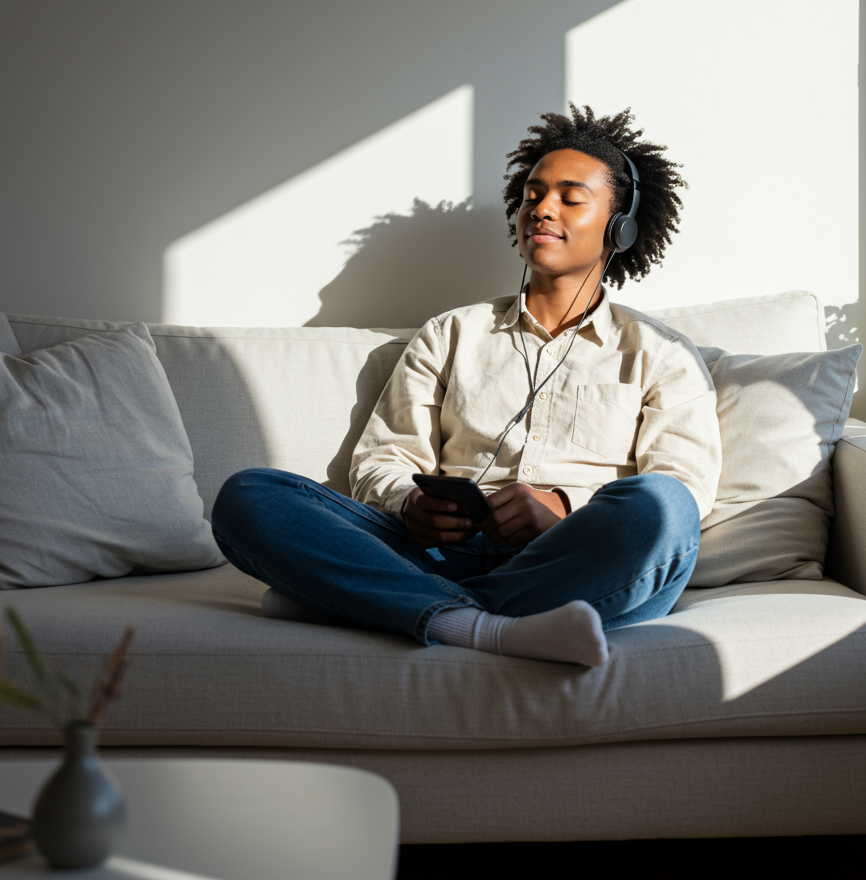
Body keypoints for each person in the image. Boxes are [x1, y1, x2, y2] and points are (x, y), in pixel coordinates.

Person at [211, 104, 722, 667]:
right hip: (433, 553)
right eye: (532, 195)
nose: (542, 209)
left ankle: (376, 603)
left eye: (570, 198)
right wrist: (410, 505)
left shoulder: (661, 352)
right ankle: (484, 623)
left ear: (619, 227)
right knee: (250, 496)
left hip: (576, 561)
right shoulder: (451, 333)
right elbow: (383, 459)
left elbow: (686, 484)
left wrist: (564, 509)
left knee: (663, 505)